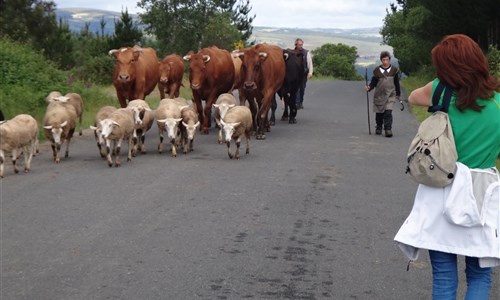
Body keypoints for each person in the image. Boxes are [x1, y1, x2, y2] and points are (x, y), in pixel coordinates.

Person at [394, 34, 500, 299]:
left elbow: (415, 97)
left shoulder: (440, 91)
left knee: (443, 274)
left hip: (442, 187)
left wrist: (442, 83)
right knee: (479, 274)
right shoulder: (497, 103)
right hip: (483, 193)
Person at [364, 51, 401, 137]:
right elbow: (373, 82)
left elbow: (396, 83)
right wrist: (369, 87)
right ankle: (379, 127)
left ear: (389, 60)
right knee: (379, 112)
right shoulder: (377, 71)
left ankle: (388, 129)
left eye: (387, 60)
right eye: (383, 60)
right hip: (379, 95)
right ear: (381, 60)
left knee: (388, 112)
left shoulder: (394, 70)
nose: (385, 62)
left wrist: (398, 94)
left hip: (390, 95)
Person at [294, 38, 313, 109]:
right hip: (295, 75)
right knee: (296, 88)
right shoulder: (293, 52)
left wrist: (310, 73)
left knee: (302, 88)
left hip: (303, 74)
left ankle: (300, 102)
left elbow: (309, 63)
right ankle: (297, 102)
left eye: (302, 45)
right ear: (296, 45)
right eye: (299, 45)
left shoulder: (306, 52)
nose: (301, 46)